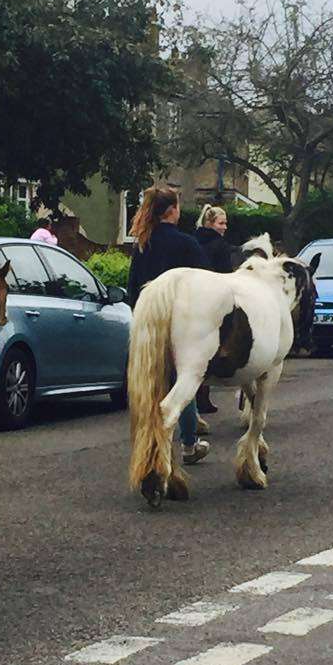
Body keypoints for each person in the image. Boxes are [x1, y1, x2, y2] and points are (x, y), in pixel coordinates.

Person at [127, 185, 210, 465]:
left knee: (150, 384)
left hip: (147, 323)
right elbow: (206, 286)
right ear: (172, 210)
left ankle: (146, 441)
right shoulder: (186, 244)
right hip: (179, 323)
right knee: (183, 382)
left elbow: (132, 290)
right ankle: (188, 443)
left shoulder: (142, 244)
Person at [194, 204, 236, 414]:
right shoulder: (219, 245)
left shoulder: (193, 240)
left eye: (225, 223)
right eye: (221, 223)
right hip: (213, 298)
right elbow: (226, 275)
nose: (225, 227)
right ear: (210, 223)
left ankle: (200, 395)